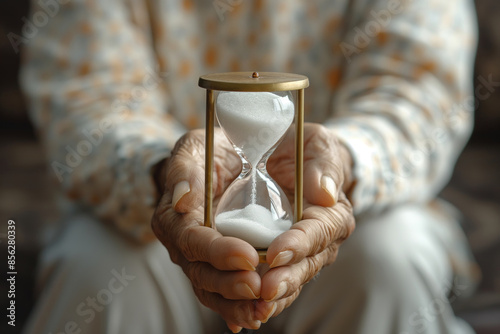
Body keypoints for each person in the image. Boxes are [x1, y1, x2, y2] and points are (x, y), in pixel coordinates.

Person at [20, 0, 479, 333]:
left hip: (356, 193)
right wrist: (166, 172)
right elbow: (89, 100)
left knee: (386, 256)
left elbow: (419, 91)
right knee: (97, 264)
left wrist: (340, 159)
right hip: (144, 195)